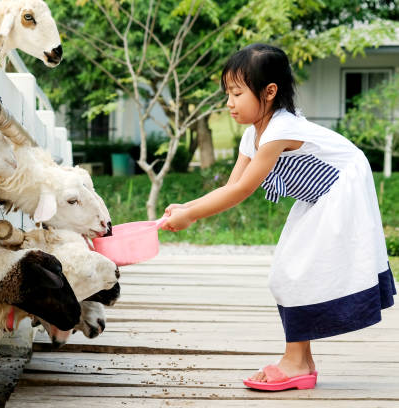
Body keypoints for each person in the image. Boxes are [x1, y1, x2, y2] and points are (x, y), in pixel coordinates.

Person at [161, 43, 396, 391]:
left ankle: (296, 362)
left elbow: (242, 191)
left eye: (237, 93)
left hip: (343, 189)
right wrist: (187, 208)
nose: (229, 102)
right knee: (288, 267)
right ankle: (300, 360)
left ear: (269, 92)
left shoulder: (280, 130)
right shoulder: (252, 135)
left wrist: (192, 216)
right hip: (319, 197)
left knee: (295, 268)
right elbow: (232, 185)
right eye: (228, 93)